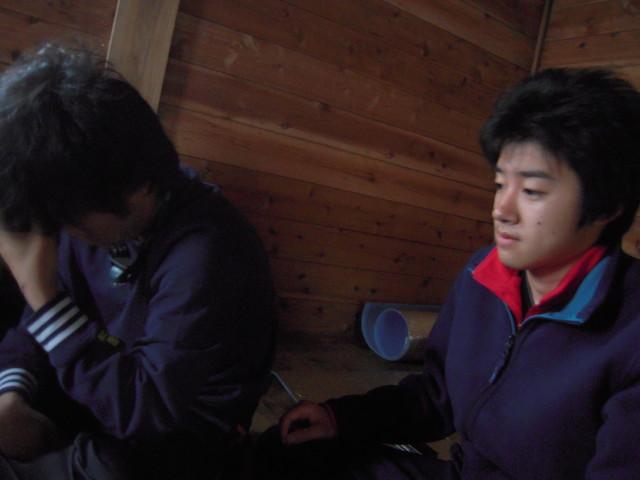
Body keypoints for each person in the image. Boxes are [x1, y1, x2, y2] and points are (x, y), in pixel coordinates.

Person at [251, 68, 640, 479]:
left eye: (532, 191)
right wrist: (341, 417)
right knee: (288, 451)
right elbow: (438, 397)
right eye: (499, 185)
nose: (501, 210)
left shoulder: (629, 331)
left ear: (606, 205)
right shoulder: (483, 274)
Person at [0, 42, 277, 479]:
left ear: (139, 187)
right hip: (117, 378)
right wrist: (12, 397)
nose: (65, 231)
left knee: (118, 468)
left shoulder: (208, 252)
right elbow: (41, 323)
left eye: (72, 220)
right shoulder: (86, 208)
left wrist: (41, 293)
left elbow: (148, 411)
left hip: (182, 419)